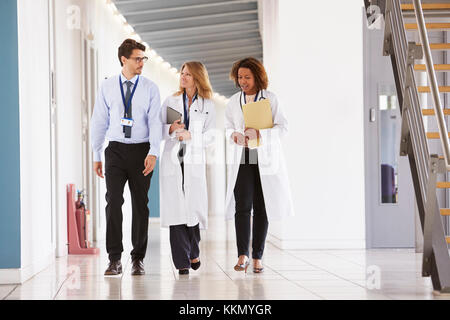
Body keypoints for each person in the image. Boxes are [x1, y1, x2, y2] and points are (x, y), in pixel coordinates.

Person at [90, 39, 162, 276]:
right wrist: (97, 153)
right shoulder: (108, 86)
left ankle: (138, 258)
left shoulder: (150, 88)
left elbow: (154, 122)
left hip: (141, 151)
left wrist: (153, 152)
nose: (142, 62)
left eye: (143, 58)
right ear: (124, 59)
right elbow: (99, 120)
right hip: (115, 151)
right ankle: (114, 259)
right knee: (113, 203)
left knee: (141, 205)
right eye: (137, 58)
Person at [225, 57, 294, 273]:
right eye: (240, 77)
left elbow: (283, 127)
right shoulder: (234, 100)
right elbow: (227, 127)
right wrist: (233, 135)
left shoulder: (270, 99)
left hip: (265, 157)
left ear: (257, 77)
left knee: (262, 206)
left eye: (247, 77)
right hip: (244, 156)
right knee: (242, 206)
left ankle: (258, 257)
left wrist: (260, 134)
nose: (243, 81)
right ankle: (242, 255)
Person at [160, 62, 216, 275]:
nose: (183, 78)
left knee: (192, 209)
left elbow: (211, 135)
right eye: (182, 74)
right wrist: (171, 129)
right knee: (177, 212)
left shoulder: (208, 104)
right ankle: (182, 262)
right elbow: (160, 129)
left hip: (193, 159)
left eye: (188, 75)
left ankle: (193, 250)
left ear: (198, 78)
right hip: (174, 159)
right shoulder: (172, 101)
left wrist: (192, 135)